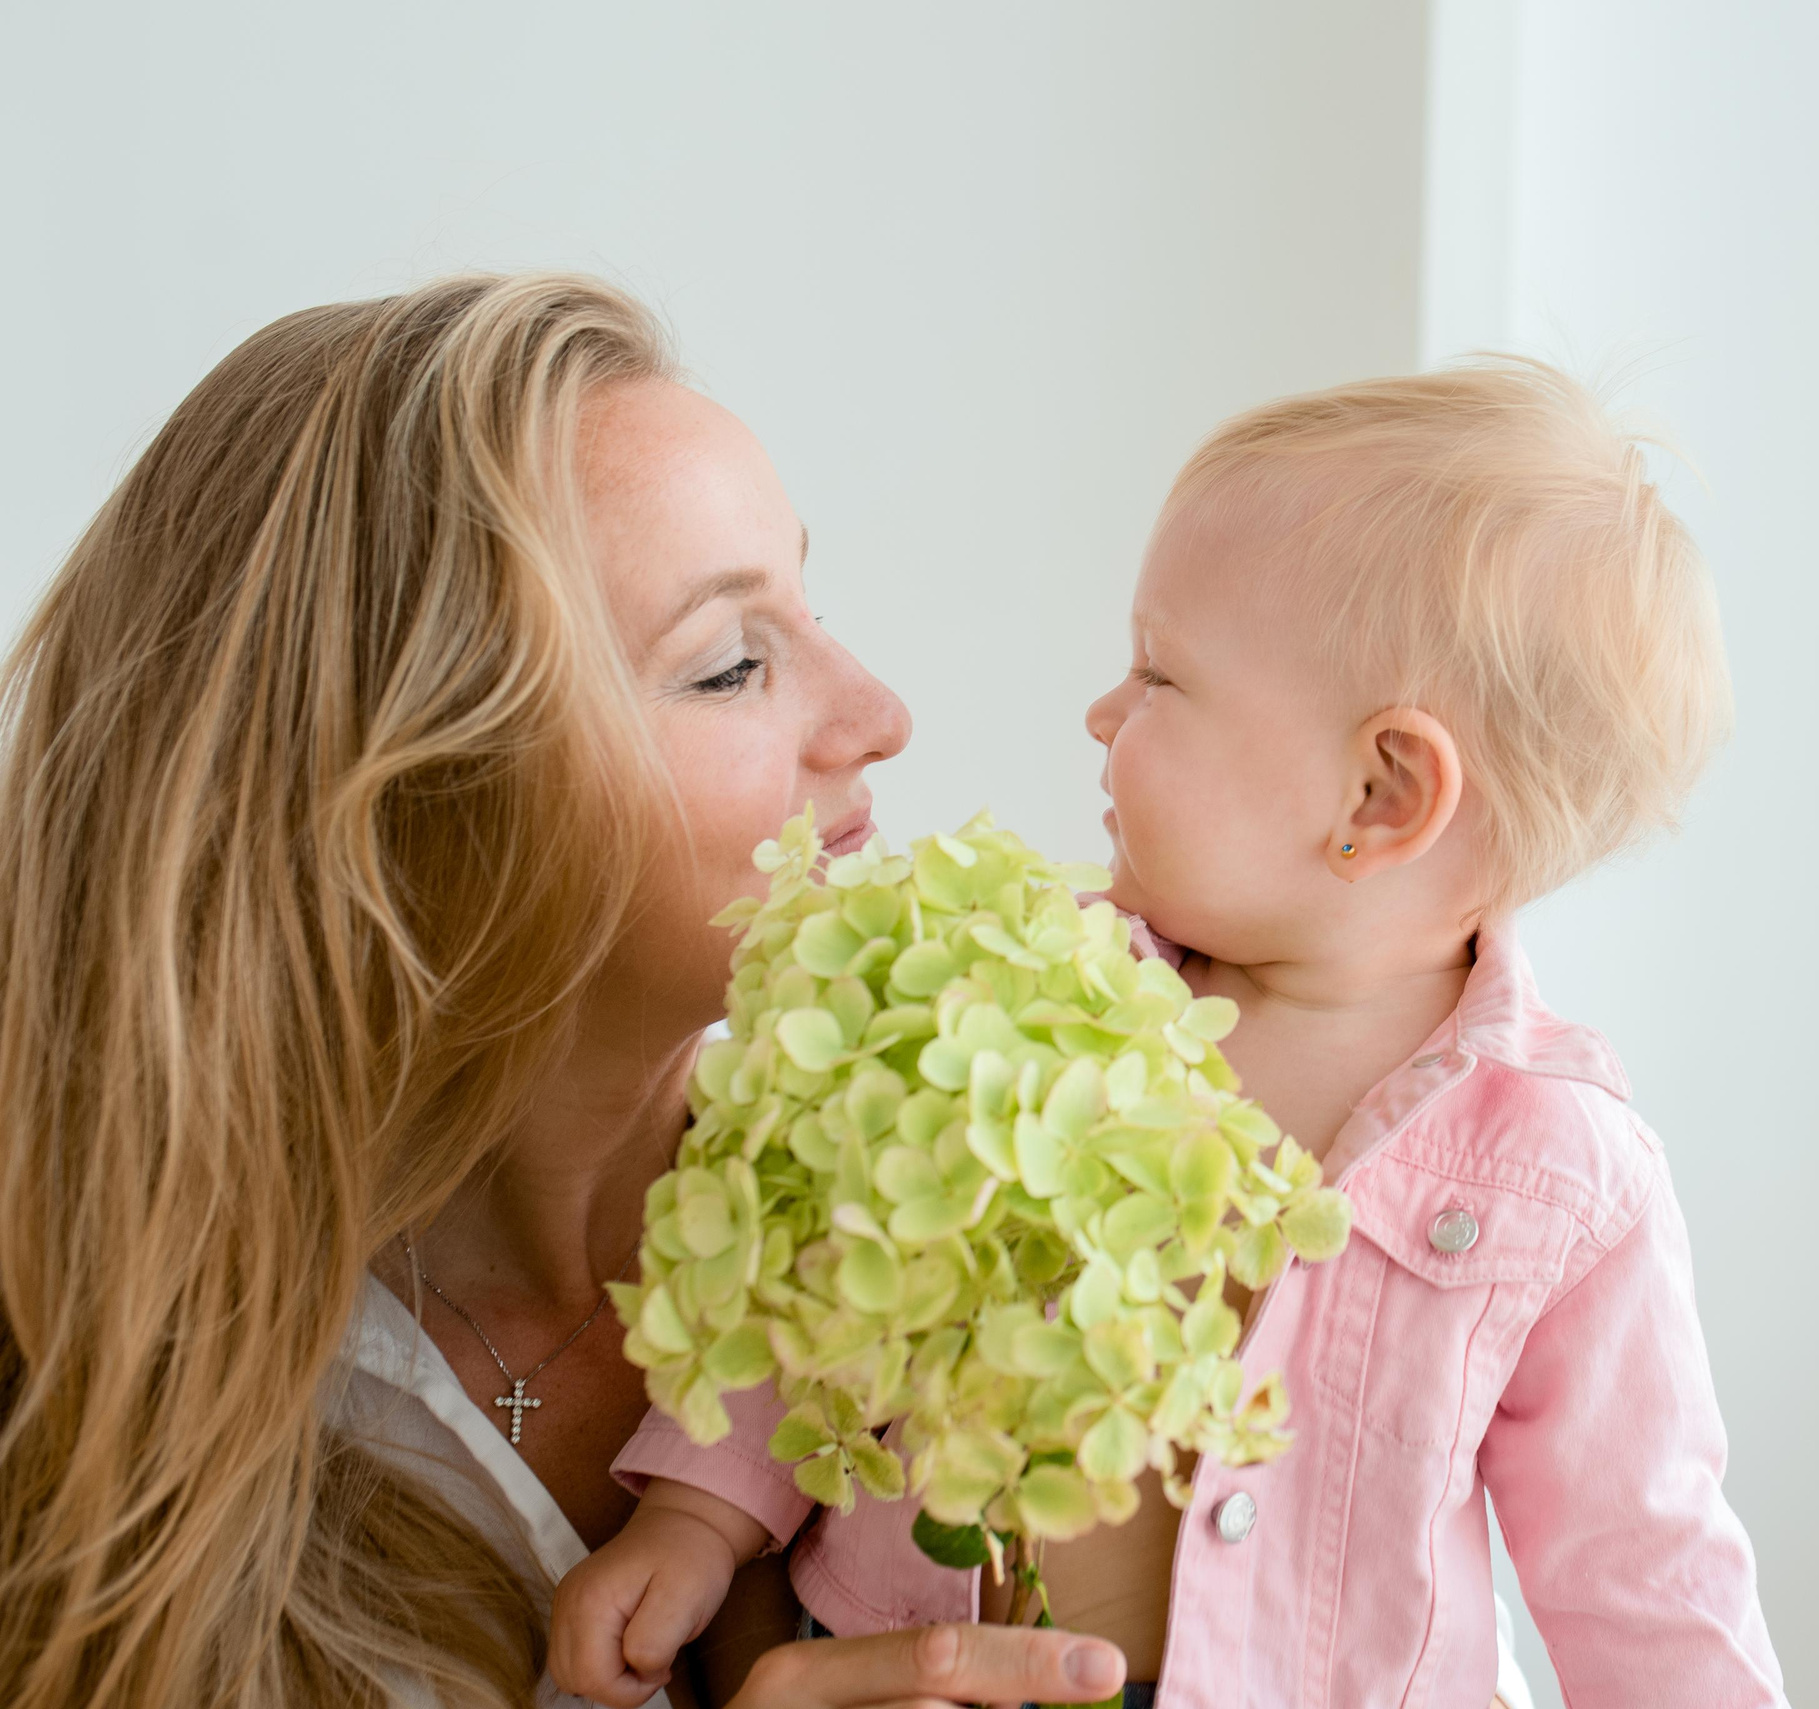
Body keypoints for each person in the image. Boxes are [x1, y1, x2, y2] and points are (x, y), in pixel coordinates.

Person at [554, 361, 1788, 1705]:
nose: (1101, 713)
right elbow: (833, 1283)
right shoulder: (1032, 991)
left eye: (1157, 675)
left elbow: (1647, 1576)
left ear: (1379, 792)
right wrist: (695, 1522)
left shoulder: (1563, 1174)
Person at [0, 272, 1127, 1709]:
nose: (879, 715)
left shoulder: (999, 1246)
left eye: (811, 606)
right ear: (422, 807)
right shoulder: (74, 1382)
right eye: (730, 667)